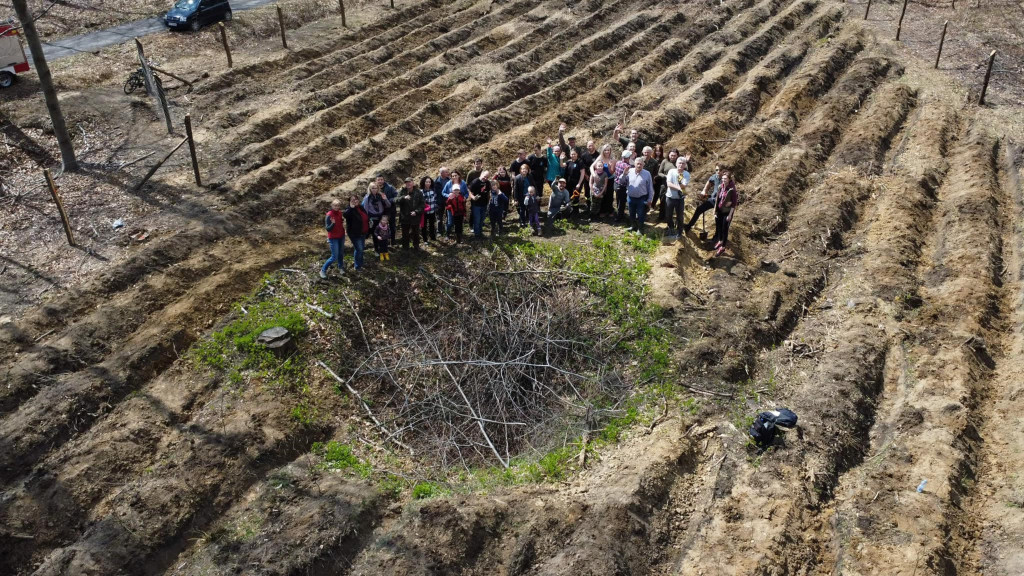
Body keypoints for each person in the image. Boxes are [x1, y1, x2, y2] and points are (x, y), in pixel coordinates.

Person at [618, 155, 655, 234]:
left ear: (643, 165)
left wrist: (649, 199)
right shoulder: (629, 171)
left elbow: (650, 187)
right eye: (637, 164)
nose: (639, 165)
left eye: (641, 164)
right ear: (634, 164)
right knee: (631, 213)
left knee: (641, 214)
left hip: (642, 198)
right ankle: (633, 226)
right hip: (631, 197)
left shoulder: (647, 173)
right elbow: (621, 182)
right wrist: (624, 174)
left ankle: (640, 229)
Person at [684, 164, 721, 236]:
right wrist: (704, 191)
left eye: (720, 170)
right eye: (717, 170)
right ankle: (688, 226)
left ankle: (717, 236)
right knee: (699, 209)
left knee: (718, 218)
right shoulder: (714, 177)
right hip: (713, 199)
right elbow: (708, 184)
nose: (718, 172)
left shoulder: (725, 179)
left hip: (721, 201)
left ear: (723, 171)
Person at [713, 171, 738, 256]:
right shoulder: (720, 186)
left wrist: (730, 215)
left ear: (729, 179)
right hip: (719, 210)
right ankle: (720, 241)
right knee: (718, 227)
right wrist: (715, 210)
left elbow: (734, 204)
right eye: (723, 178)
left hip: (727, 212)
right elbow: (717, 199)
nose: (723, 180)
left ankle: (723, 247)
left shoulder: (732, 190)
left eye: (725, 179)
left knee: (724, 229)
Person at [664, 157, 690, 237]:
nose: (681, 165)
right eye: (679, 163)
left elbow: (684, 185)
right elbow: (669, 184)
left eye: (683, 163)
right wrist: (679, 187)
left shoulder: (686, 174)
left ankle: (679, 230)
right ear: (676, 164)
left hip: (680, 199)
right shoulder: (671, 171)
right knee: (668, 215)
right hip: (670, 197)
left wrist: (678, 186)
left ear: (685, 165)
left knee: (680, 216)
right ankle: (671, 227)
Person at [343, 194, 370, 271]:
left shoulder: (361, 207)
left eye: (356, 199)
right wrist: (351, 207)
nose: (355, 201)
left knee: (359, 249)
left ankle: (359, 263)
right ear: (350, 202)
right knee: (360, 249)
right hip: (355, 234)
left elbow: (365, 217)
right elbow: (345, 215)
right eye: (352, 200)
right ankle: (357, 266)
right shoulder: (349, 209)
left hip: (363, 232)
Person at [320, 199, 345, 279]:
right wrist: (333, 223)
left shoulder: (340, 213)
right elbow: (327, 229)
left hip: (341, 236)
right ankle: (323, 270)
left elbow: (341, 222)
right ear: (332, 206)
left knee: (341, 253)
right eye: (335, 205)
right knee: (334, 256)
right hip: (333, 238)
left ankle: (340, 267)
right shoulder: (329, 215)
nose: (336, 207)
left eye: (338, 205)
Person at [362, 181, 391, 251]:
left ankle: (383, 249)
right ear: (370, 189)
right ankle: (376, 250)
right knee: (375, 235)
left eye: (376, 188)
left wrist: (385, 199)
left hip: (381, 218)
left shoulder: (380, 196)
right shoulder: (367, 198)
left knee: (382, 234)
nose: (374, 189)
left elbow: (389, 205)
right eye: (373, 188)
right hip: (372, 219)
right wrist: (367, 219)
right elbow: (365, 210)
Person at [397, 176, 424, 250]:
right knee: (405, 233)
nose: (408, 184)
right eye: (406, 182)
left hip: (415, 216)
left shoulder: (418, 192)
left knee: (416, 233)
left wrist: (416, 211)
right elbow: (396, 201)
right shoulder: (402, 191)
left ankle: (416, 246)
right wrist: (403, 198)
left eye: (410, 182)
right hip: (405, 216)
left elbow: (422, 204)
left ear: (413, 183)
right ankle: (405, 247)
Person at [441, 169, 468, 238]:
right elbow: (443, 192)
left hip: (460, 206)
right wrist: (448, 195)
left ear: (459, 176)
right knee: (450, 222)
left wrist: (465, 197)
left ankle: (458, 235)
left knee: (458, 222)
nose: (454, 177)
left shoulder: (463, 183)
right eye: (452, 176)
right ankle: (447, 233)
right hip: (451, 206)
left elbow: (467, 193)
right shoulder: (449, 183)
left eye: (455, 175)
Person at [589, 145, 614, 218]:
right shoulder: (600, 157)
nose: (607, 152)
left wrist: (610, 166)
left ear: (610, 151)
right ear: (603, 151)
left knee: (609, 195)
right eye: (605, 150)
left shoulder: (612, 158)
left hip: (610, 178)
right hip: (600, 179)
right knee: (602, 195)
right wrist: (594, 175)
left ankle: (609, 210)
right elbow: (591, 166)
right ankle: (602, 211)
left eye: (608, 150)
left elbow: (612, 171)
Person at [375, 175, 399, 243]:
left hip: (390, 209)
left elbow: (396, 197)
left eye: (381, 179)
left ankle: (393, 241)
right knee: (381, 226)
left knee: (392, 225)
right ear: (376, 181)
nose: (380, 181)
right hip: (380, 211)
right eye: (378, 180)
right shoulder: (374, 188)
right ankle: (384, 241)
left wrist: (388, 200)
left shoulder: (390, 187)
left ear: (383, 180)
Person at [468, 170, 491, 239]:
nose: (485, 178)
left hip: (484, 204)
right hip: (476, 204)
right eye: (484, 176)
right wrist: (473, 197)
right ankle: (477, 234)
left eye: (487, 177)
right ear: (481, 174)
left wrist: (489, 200)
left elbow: (488, 192)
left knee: (482, 219)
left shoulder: (487, 183)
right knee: (477, 219)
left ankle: (480, 232)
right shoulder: (475, 182)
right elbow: (470, 192)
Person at [613, 149, 632, 222]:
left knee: (618, 200)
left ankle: (619, 213)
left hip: (616, 183)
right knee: (622, 202)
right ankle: (619, 217)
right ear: (628, 158)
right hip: (622, 186)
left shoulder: (618, 163)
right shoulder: (627, 167)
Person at [421, 176, 438, 244]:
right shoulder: (421, 191)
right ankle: (425, 239)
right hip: (424, 212)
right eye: (426, 182)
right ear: (424, 182)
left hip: (432, 211)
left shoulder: (433, 190)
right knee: (424, 226)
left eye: (429, 182)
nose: (428, 183)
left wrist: (436, 207)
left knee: (432, 225)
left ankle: (432, 237)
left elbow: (435, 200)